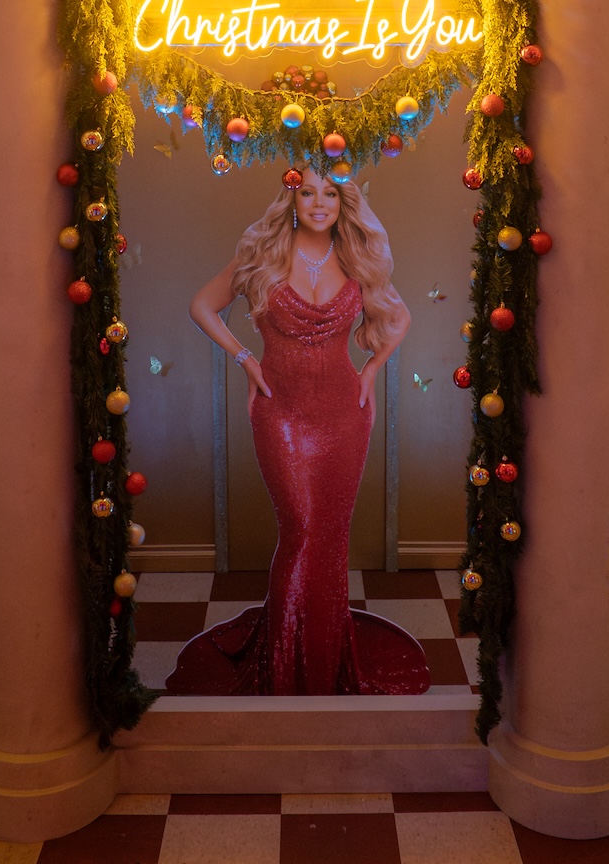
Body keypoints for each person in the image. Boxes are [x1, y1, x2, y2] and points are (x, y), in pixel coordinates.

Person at [169, 168, 429, 696]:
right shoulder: (262, 255)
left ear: (342, 203)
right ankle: (287, 666)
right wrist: (244, 358)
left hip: (343, 416)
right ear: (292, 198)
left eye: (329, 194)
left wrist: (371, 371)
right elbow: (202, 305)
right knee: (301, 530)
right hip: (279, 413)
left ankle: (325, 653)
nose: (318, 203)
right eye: (307, 192)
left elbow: (400, 318)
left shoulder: (356, 256)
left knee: (331, 538)